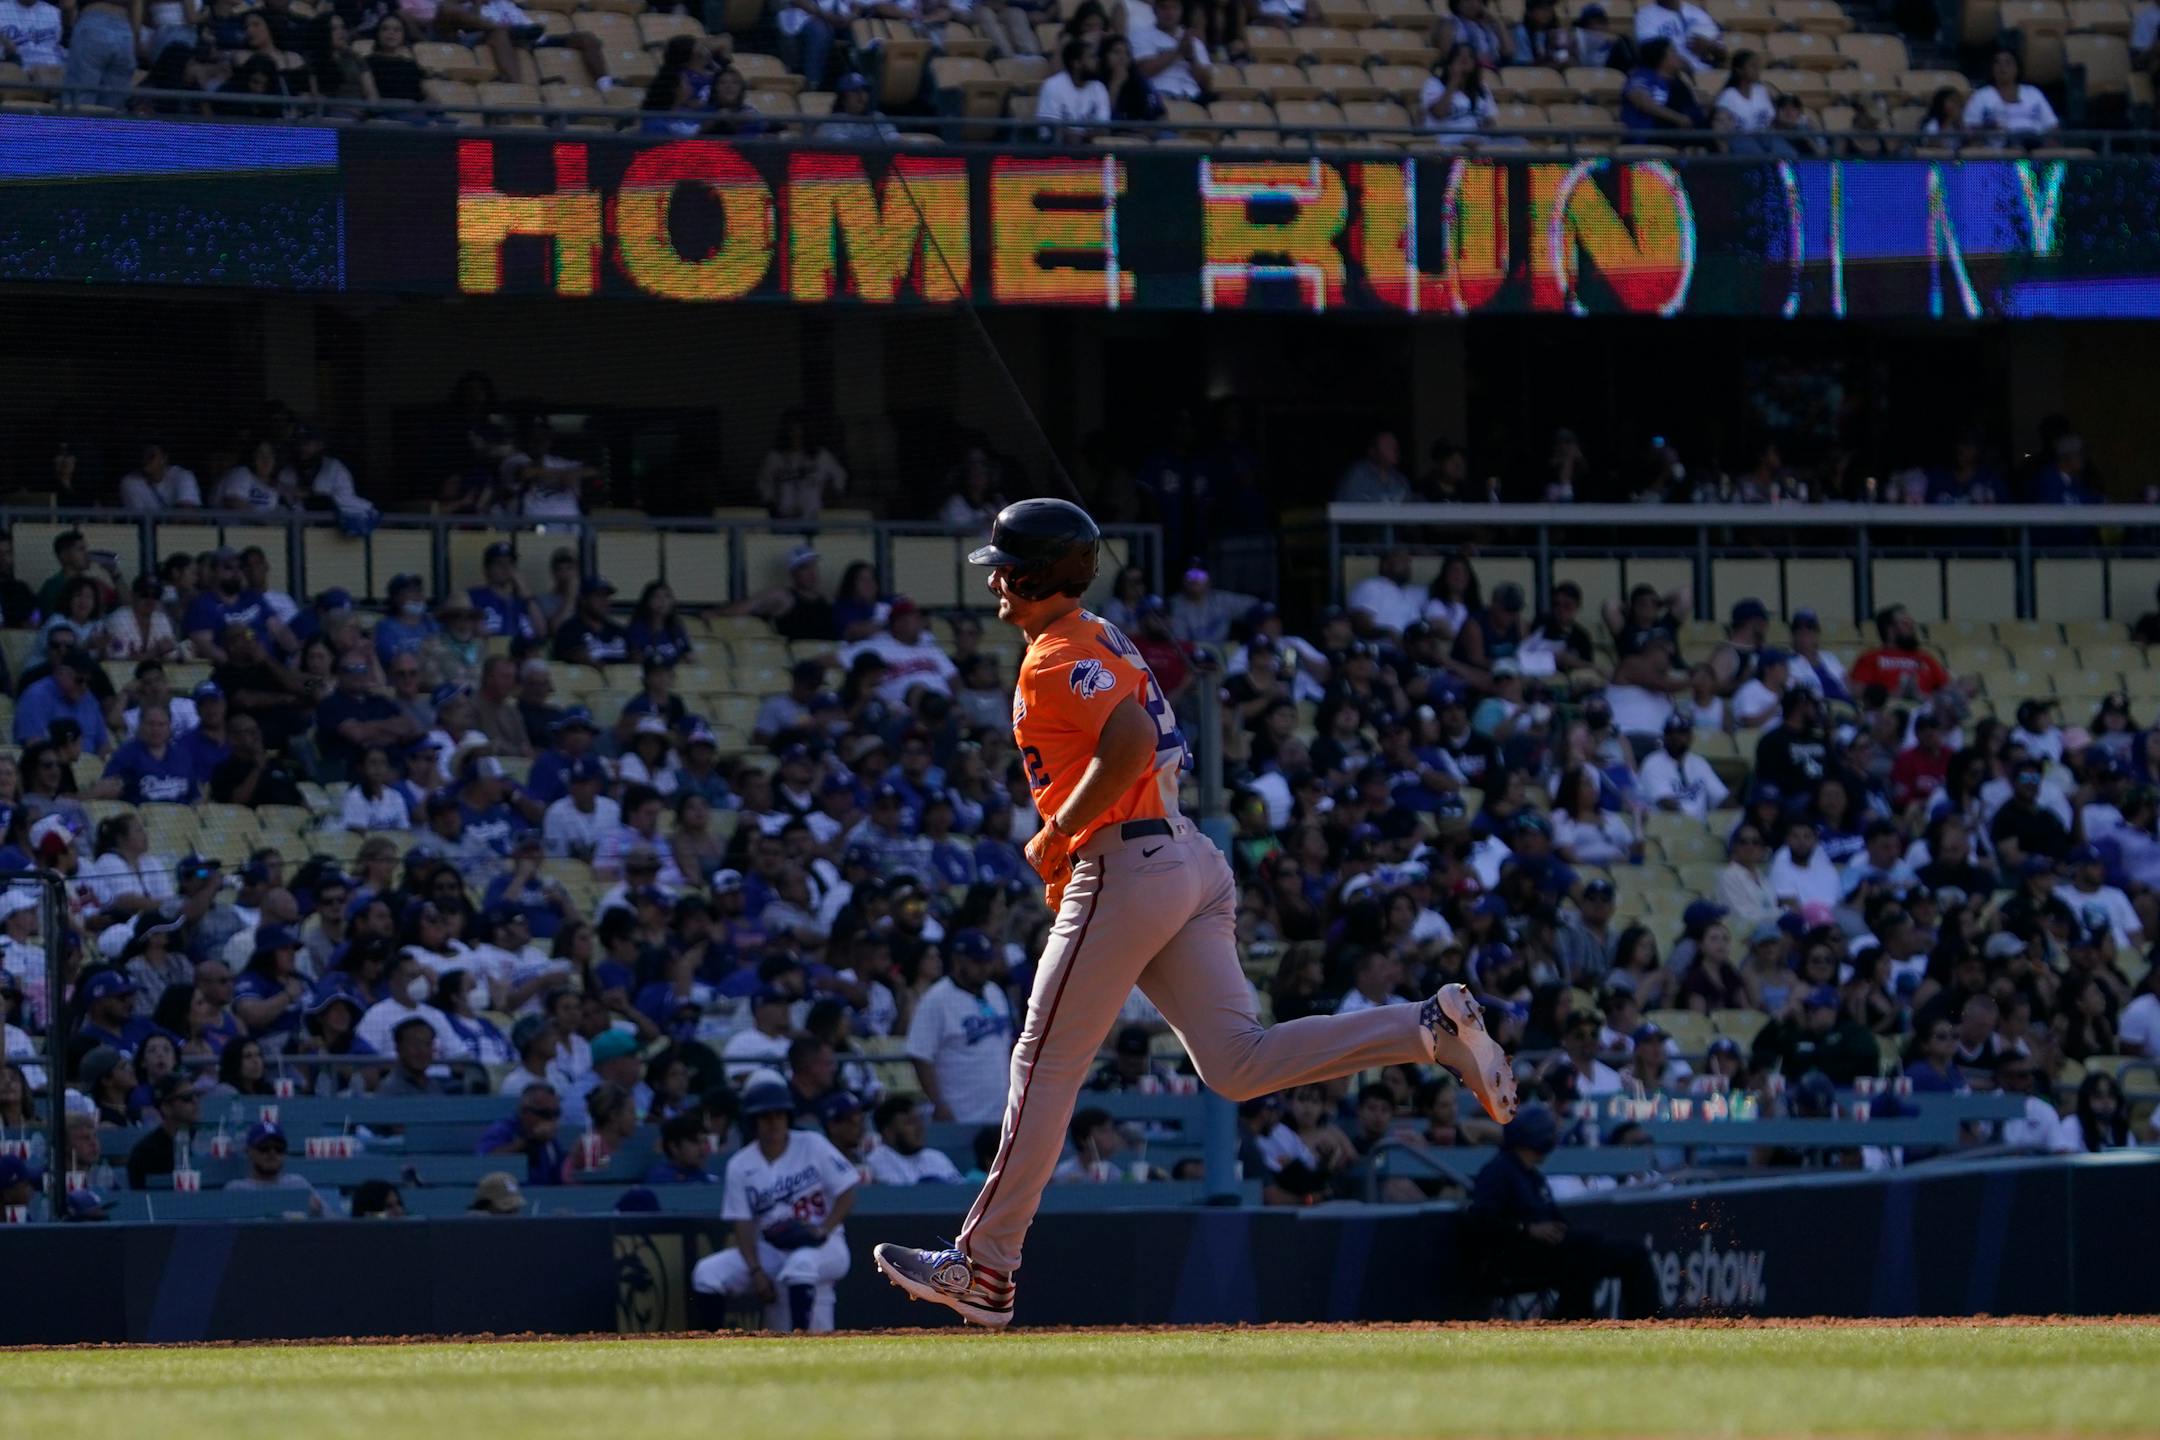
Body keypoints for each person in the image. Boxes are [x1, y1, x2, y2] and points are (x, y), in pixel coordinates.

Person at [872, 499, 1516, 1329]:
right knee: (1236, 1064)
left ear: (1034, 576)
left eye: (1003, 565)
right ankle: (1424, 1028)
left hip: (1127, 863)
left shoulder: (1056, 651)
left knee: (1042, 1061)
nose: (993, 578)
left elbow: (1132, 742)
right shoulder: (1096, 632)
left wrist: (1058, 830)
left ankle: (984, 1268)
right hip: (1184, 856)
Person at [1462, 1104, 1663, 1318]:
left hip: (1551, 1251)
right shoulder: (1498, 1171)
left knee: (1629, 1252)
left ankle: (1645, 1321)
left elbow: (1556, 1221)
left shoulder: (1531, 1175)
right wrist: (1526, 1229)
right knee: (1580, 1256)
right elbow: (1480, 1220)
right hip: (1516, 1257)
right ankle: (1575, 1321)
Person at [690, 1083, 858, 1332]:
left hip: (823, 1244)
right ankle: (709, 1348)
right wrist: (756, 1271)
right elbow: (742, 1223)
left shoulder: (812, 1144)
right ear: (753, 1121)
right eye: (766, 1116)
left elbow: (847, 1191)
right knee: (707, 1272)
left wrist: (824, 1228)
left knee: (800, 1265)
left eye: (779, 1115)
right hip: (770, 1250)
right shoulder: (740, 1164)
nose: (774, 1122)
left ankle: (801, 1340)